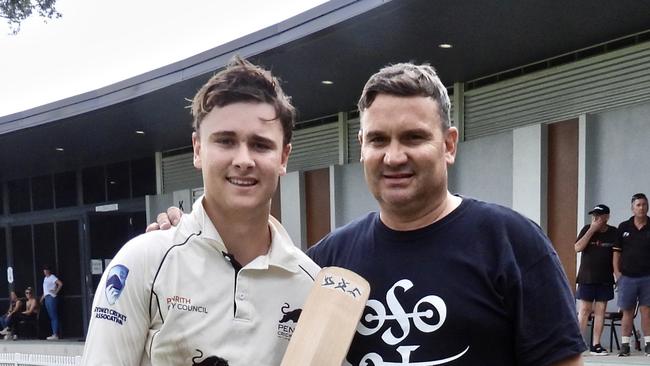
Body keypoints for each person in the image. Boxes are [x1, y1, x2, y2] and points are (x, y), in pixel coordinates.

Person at [153, 62, 586, 365]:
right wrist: (191, 242)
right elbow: (244, 314)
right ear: (361, 147)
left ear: (449, 144)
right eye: (378, 140)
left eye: (413, 137)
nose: (393, 156)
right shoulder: (324, 263)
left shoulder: (510, 243)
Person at [81, 57, 320, 365]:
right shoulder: (143, 263)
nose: (243, 159)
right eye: (226, 141)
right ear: (197, 149)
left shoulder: (310, 286)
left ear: (284, 156)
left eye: (261, 145)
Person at [574, 204, 617, 355]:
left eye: (598, 216)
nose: (595, 218)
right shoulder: (587, 229)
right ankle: (578, 344)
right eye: (594, 216)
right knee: (584, 310)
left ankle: (596, 345)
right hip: (587, 277)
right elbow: (577, 248)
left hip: (605, 277)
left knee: (600, 310)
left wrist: (617, 275)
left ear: (606, 217)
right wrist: (592, 230)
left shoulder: (613, 232)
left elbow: (617, 255)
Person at [613, 192, 650, 357]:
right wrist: (617, 274)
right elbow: (616, 254)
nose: (642, 208)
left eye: (644, 204)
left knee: (646, 311)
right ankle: (625, 345)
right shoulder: (623, 227)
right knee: (626, 312)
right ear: (632, 208)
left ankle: (648, 344)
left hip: (647, 277)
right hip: (627, 277)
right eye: (638, 205)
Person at [41, 265, 63, 340]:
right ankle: (54, 332)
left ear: (49, 271)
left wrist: (56, 291)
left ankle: (55, 334)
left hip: (51, 297)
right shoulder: (45, 279)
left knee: (54, 316)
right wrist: (41, 298)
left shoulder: (52, 277)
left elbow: (60, 283)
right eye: (44, 270)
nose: (45, 271)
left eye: (47, 270)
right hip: (46, 297)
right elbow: (45, 290)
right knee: (51, 316)